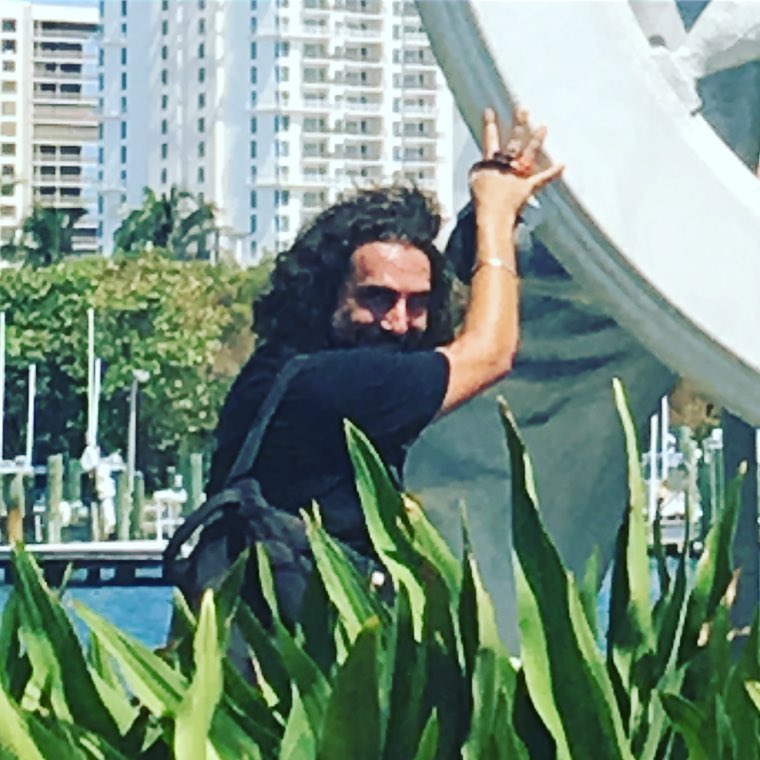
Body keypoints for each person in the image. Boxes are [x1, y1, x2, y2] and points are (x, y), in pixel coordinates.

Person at [172, 108, 563, 624]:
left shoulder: (284, 368)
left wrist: (484, 213)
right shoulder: (335, 384)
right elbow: (489, 354)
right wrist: (494, 215)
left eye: (417, 302)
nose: (398, 322)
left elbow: (453, 336)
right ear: (326, 293)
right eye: (377, 298)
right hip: (298, 649)